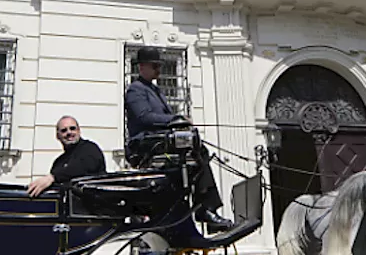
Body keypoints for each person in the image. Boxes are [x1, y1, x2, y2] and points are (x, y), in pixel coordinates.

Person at [124, 47, 232, 232]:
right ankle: (204, 209)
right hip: (146, 144)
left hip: (159, 140)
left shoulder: (155, 90)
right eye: (154, 66)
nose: (159, 70)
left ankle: (206, 206)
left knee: (199, 149)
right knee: (196, 151)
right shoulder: (136, 90)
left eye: (159, 66)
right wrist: (176, 119)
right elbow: (144, 117)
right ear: (142, 67)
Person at [27, 115, 107, 196]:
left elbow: (80, 167)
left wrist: (52, 177)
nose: (69, 132)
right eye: (64, 130)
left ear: (79, 131)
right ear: (57, 136)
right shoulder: (58, 162)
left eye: (72, 128)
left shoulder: (91, 149)